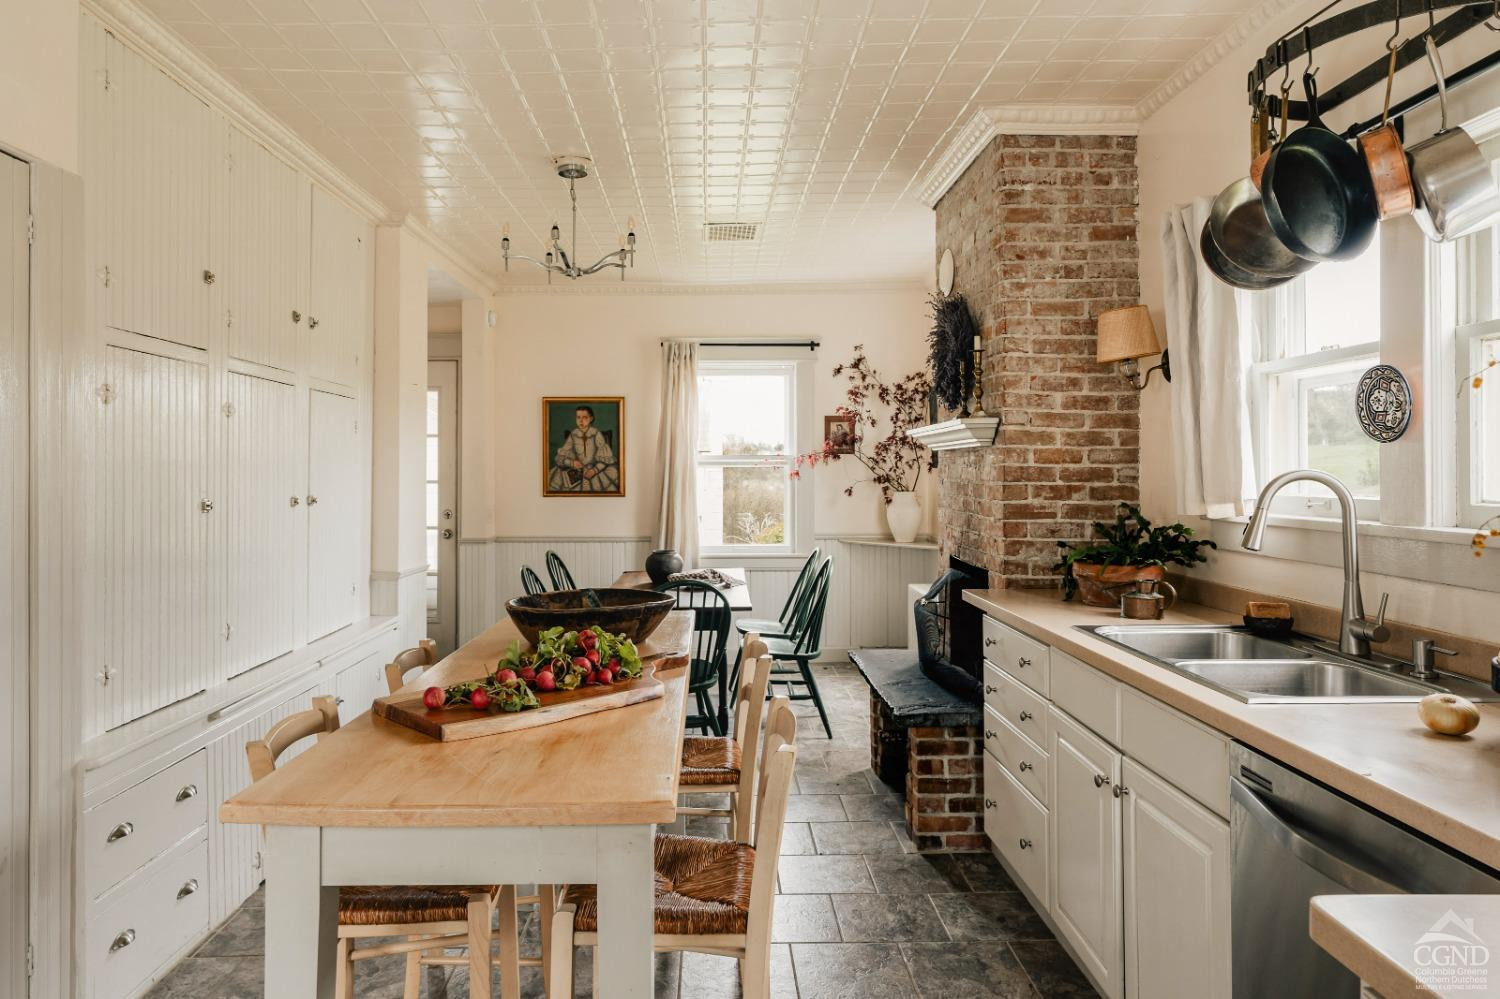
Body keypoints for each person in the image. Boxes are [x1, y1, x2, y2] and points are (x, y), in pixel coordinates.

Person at [548, 405, 620, 493]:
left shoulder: (596, 434)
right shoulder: (573, 434)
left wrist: (594, 470)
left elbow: (606, 460)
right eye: (578, 417)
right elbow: (560, 457)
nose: (581, 421)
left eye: (585, 417)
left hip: (595, 470)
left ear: (591, 418)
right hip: (577, 470)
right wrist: (572, 463)